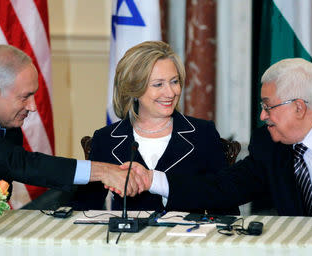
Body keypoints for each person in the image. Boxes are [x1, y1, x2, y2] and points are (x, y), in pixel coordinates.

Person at [0, 45, 146, 209]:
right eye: (25, 96)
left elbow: (7, 179)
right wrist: (102, 170)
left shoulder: (3, 119)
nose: (33, 107)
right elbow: (18, 164)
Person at [143, 58, 312, 216]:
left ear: (299, 107)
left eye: (268, 107)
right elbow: (222, 188)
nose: (262, 115)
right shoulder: (270, 145)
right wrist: (152, 180)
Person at [74, 41, 237, 214]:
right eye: (158, 84)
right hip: (127, 239)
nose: (170, 92)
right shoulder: (107, 139)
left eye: (174, 81)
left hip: (189, 238)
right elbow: (83, 209)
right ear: (135, 89)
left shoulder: (202, 133)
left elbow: (226, 206)